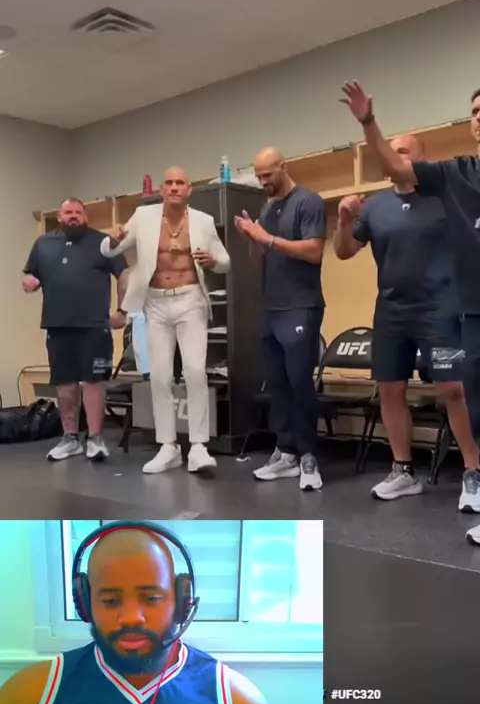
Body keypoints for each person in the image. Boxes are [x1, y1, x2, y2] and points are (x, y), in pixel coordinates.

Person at [340, 80, 480, 541]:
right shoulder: (380, 206)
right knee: (391, 388)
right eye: (393, 151)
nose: (396, 158)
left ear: (421, 159)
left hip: (442, 311)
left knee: (455, 390)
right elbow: (344, 251)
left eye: (405, 152)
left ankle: (473, 471)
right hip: (392, 313)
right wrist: (344, 220)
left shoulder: (445, 195)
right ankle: (403, 470)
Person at [0, 523, 270, 704]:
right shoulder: (32, 696)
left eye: (151, 598)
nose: (131, 618)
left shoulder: (234, 701)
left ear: (180, 602)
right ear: (86, 603)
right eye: (110, 601)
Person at [101, 167, 230, 476]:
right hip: (155, 303)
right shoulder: (143, 217)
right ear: (162, 189)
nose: (174, 187)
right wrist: (111, 239)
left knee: (195, 371)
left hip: (190, 299)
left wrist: (214, 261)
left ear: (189, 189)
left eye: (180, 183)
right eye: (169, 183)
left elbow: (225, 261)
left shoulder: (203, 220)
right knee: (160, 376)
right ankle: (168, 446)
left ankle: (198, 447)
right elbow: (110, 250)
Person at [235, 147, 325, 490]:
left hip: (301, 305)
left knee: (299, 381)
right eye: (258, 176)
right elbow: (260, 259)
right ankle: (286, 452)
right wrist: (253, 240)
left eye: (267, 175)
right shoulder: (267, 207)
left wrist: (267, 238)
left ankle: (308, 456)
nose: (263, 182)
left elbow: (314, 251)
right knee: (277, 382)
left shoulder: (308, 202)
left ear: (283, 167)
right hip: (271, 308)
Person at [22, 197, 128, 462]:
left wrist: (123, 311)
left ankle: (95, 439)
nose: (73, 216)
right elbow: (31, 274)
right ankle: (70, 439)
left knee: (93, 382)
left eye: (78, 212)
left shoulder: (103, 243)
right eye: (68, 212)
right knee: (65, 385)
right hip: (57, 326)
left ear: (85, 216)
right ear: (60, 217)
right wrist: (30, 282)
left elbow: (124, 276)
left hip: (94, 326)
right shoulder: (43, 244)